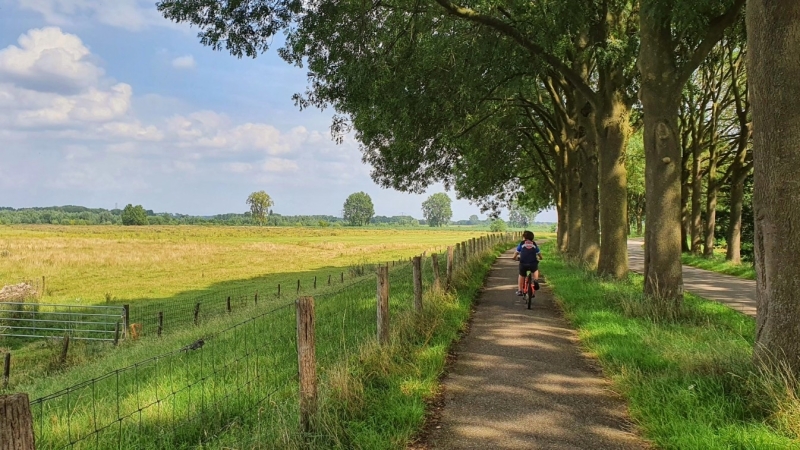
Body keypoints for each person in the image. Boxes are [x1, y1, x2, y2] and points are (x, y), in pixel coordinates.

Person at [513, 230, 543, 296]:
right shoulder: (534, 244)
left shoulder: (522, 243)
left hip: (523, 263)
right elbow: (539, 253)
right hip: (533, 263)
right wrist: (541, 258)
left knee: (521, 275)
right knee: (535, 270)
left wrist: (514, 257)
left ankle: (520, 290)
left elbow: (516, 252)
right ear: (532, 237)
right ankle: (536, 280)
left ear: (524, 237)